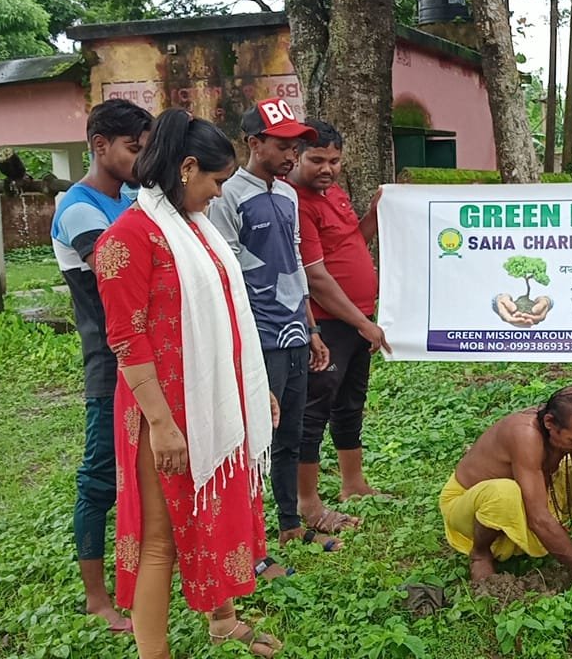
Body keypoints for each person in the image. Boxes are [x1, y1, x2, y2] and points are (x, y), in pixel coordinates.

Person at [96, 109, 282, 658]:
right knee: (160, 540)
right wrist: (161, 425)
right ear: (187, 168)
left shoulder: (195, 230)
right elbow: (127, 340)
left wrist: (253, 389)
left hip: (211, 399)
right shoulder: (127, 239)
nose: (218, 193)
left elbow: (225, 318)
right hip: (162, 409)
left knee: (216, 510)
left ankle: (224, 623)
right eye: (216, 181)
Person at [207, 99, 338, 556]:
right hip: (258, 337)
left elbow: (295, 262)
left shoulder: (287, 195)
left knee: (291, 433)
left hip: (294, 331)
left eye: (295, 146)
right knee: (257, 435)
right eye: (282, 145)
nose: (290, 155)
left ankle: (288, 524)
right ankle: (248, 538)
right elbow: (227, 272)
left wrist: (311, 327)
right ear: (254, 143)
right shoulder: (225, 196)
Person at [50, 98, 152, 634]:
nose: (142, 160)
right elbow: (118, 270)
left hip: (147, 358)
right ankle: (96, 598)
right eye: (134, 149)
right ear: (99, 145)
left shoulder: (131, 198)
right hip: (110, 366)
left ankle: (151, 572)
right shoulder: (78, 209)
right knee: (99, 480)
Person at [289, 119, 392, 534]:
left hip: (356, 319)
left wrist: (375, 213)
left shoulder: (333, 194)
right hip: (327, 324)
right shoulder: (296, 204)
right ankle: (307, 501)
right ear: (296, 156)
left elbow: (352, 243)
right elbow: (315, 278)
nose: (327, 168)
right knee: (314, 410)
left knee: (351, 403)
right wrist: (363, 323)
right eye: (317, 160)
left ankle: (354, 484)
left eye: (334, 160)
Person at [438, 385, 572, 590]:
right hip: (466, 506)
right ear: (549, 423)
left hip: (528, 496)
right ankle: (480, 553)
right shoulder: (525, 435)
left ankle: (546, 537)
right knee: (504, 494)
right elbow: (538, 517)